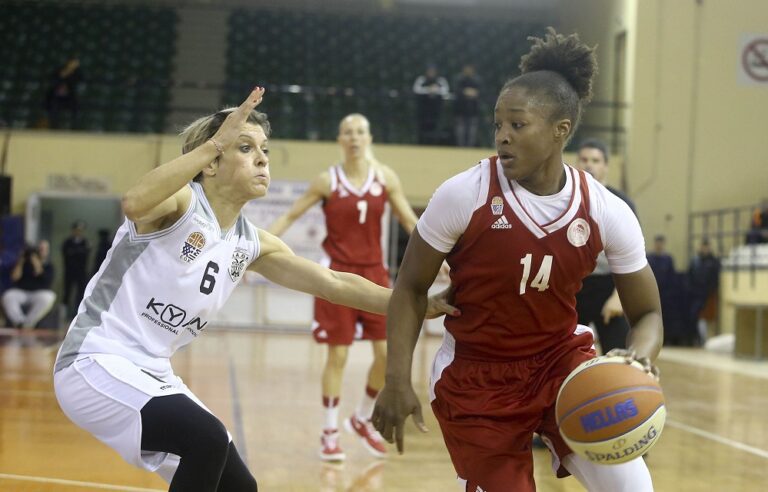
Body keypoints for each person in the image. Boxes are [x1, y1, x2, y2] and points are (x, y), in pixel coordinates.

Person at [52, 89, 455, 491]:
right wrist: (214, 143)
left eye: (264, 149)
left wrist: (418, 302)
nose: (262, 158)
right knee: (205, 438)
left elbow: (334, 283)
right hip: (95, 360)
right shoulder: (180, 203)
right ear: (212, 163)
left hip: (153, 372)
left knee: (239, 485)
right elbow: (135, 201)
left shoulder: (251, 243)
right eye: (245, 148)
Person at [372, 29, 662, 492]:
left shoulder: (605, 209)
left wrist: (640, 359)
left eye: (518, 125)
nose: (503, 136)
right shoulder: (463, 194)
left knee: (634, 487)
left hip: (559, 363)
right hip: (476, 375)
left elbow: (647, 313)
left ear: (560, 130)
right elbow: (409, 288)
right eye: (498, 125)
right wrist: (395, 379)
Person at [268, 113, 421, 461]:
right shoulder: (327, 181)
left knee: (388, 356)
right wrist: (254, 246)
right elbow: (290, 215)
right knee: (337, 356)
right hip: (336, 276)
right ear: (340, 140)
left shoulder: (385, 177)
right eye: (348, 133)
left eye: (360, 132)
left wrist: (438, 256)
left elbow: (409, 220)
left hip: (375, 275)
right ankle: (329, 432)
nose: (354, 138)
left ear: (369, 138)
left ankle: (361, 417)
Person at [574, 138, 637, 354]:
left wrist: (618, 298)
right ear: (576, 163)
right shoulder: (564, 199)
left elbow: (633, 256)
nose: (589, 165)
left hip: (609, 285)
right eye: (584, 160)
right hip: (574, 286)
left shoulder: (621, 203)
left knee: (620, 353)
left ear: (606, 166)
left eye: (595, 160)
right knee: (561, 355)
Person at [1, 240, 56, 329]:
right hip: (22, 292)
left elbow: (40, 273)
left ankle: (28, 323)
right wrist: (21, 260)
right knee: (8, 296)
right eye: (39, 249)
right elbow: (14, 277)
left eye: (43, 249)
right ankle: (19, 321)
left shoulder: (48, 266)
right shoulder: (23, 263)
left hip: (39, 293)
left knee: (49, 297)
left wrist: (35, 261)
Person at [688, 238, 720, 344]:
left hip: (708, 294)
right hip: (695, 294)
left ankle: (705, 339)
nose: (705, 249)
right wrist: (691, 290)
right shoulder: (695, 261)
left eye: (707, 246)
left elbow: (715, 279)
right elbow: (690, 276)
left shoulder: (714, 262)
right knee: (694, 316)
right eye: (703, 246)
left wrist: (710, 291)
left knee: (706, 317)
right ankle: (697, 338)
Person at [412, 64, 450, 145]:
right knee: (422, 127)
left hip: (436, 109)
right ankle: (421, 143)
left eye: (433, 71)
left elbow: (445, 91)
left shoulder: (440, 80)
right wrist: (428, 89)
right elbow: (416, 89)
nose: (431, 73)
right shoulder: (422, 79)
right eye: (430, 71)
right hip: (423, 109)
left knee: (435, 127)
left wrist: (436, 89)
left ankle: (434, 144)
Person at [44, 56, 83, 129]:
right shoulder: (59, 69)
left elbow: (79, 83)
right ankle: (54, 128)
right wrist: (66, 72)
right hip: (57, 96)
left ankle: (75, 128)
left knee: (76, 108)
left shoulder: (78, 73)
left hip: (70, 96)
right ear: (69, 62)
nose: (75, 64)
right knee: (53, 108)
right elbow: (53, 80)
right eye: (73, 63)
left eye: (76, 63)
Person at [61, 220, 90, 317]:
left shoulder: (85, 242)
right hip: (69, 271)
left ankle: (77, 313)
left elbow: (85, 254)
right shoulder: (67, 242)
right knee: (67, 292)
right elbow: (66, 254)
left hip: (81, 272)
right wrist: (77, 252)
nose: (78, 232)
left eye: (80, 230)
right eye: (77, 230)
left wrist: (75, 252)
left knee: (80, 293)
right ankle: (64, 314)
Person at [453, 64, 482, 147]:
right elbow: (456, 91)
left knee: (472, 130)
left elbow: (481, 92)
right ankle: (460, 146)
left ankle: (470, 147)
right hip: (460, 109)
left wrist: (474, 93)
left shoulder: (477, 80)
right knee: (460, 130)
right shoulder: (459, 80)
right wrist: (465, 92)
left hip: (473, 110)